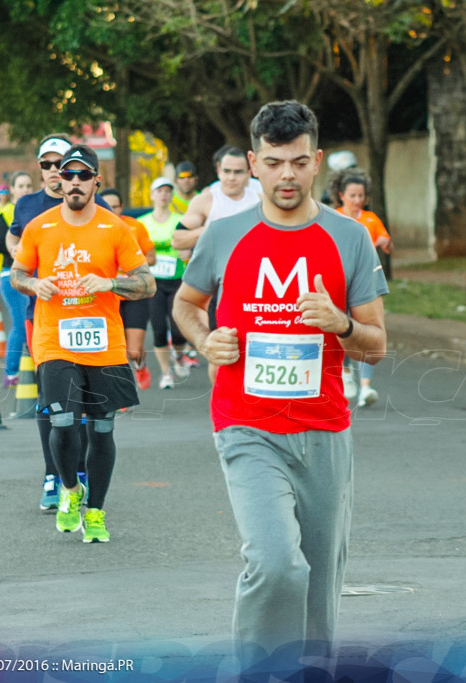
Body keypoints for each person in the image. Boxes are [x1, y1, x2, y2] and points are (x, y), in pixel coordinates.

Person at [172, 100, 388, 671]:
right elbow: (186, 304)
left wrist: (339, 323)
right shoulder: (223, 234)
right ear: (253, 162)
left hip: (323, 428)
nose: (286, 176)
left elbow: (377, 344)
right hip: (245, 424)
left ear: (316, 161)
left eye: (297, 162)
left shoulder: (349, 238)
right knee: (276, 564)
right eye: (273, 163)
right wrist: (205, 340)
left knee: (319, 582)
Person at [10, 144, 156, 543]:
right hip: (54, 341)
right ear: (58, 179)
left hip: (104, 343)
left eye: (82, 175)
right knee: (61, 421)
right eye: (66, 174)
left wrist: (111, 283)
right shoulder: (40, 226)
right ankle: (70, 490)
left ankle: (95, 513)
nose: (73, 181)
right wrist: (35, 283)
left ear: (96, 181)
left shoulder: (115, 228)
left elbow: (147, 283)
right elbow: (16, 273)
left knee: (103, 430)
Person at [6, 135, 115, 512]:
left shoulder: (97, 208)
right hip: (48, 319)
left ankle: (82, 474)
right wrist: (34, 278)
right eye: (50, 166)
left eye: (66, 167)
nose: (58, 174)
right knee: (52, 404)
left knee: (88, 402)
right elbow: (16, 251)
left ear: (91, 179)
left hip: (95, 324)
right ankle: (55, 474)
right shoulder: (31, 208)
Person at [171, 145, 263, 384]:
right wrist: (214, 230)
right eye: (227, 171)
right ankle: (222, 409)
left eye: (239, 172)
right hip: (220, 286)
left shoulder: (261, 196)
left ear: (250, 171)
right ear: (218, 171)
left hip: (259, 284)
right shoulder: (207, 200)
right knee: (220, 353)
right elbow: (178, 238)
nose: (232, 177)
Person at [335, 171, 391, 407]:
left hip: (366, 281)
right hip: (340, 281)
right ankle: (346, 373)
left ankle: (365, 388)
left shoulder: (371, 219)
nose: (357, 199)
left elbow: (386, 242)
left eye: (360, 195)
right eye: (352, 195)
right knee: (344, 327)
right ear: (341, 196)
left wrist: (381, 242)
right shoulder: (334, 218)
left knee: (368, 331)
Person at [99, 187, 157, 389]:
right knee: (114, 348)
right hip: (107, 297)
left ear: (122, 207)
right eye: (107, 206)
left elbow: (151, 257)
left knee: (133, 350)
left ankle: (140, 365)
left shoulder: (135, 227)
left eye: (115, 206)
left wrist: (130, 265)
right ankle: (120, 389)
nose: (111, 210)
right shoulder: (94, 228)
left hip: (133, 294)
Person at [140, 177, 190, 389]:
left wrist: (184, 251)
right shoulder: (143, 223)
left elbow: (189, 248)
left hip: (177, 279)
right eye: (159, 191)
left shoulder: (181, 220)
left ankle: (179, 354)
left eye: (168, 191)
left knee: (178, 329)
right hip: (153, 282)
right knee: (159, 328)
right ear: (152, 195)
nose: (164, 194)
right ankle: (165, 373)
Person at [0, 172, 34, 385]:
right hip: (12, 274)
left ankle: (37, 369)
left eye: (28, 185)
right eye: (21, 186)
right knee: (21, 323)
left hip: (36, 276)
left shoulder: (37, 211)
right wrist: (22, 251)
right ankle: (11, 372)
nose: (25, 189)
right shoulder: (7, 212)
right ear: (13, 189)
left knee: (34, 323)